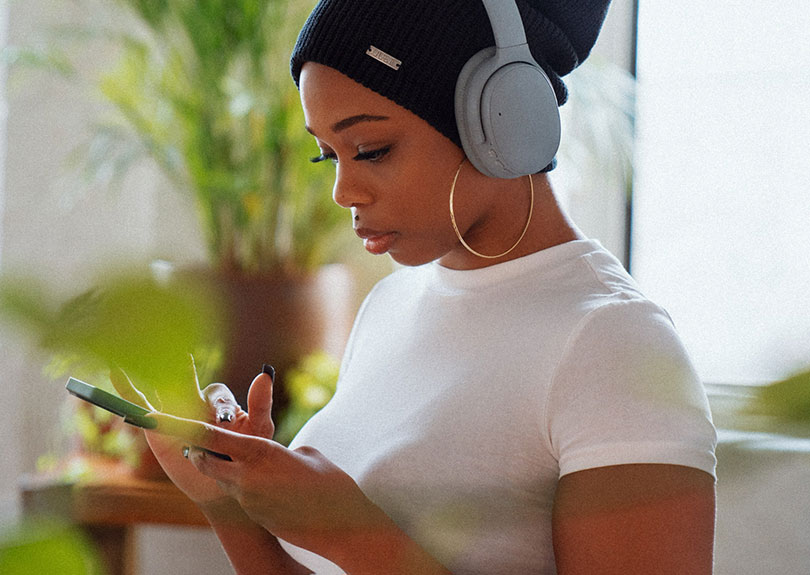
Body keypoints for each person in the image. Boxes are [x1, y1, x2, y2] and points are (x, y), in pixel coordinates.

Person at [113, 1, 718, 573]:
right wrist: (219, 494)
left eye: (370, 149)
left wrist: (348, 530)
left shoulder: (612, 342)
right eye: (328, 156)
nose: (343, 192)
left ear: (500, 119)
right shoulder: (390, 307)